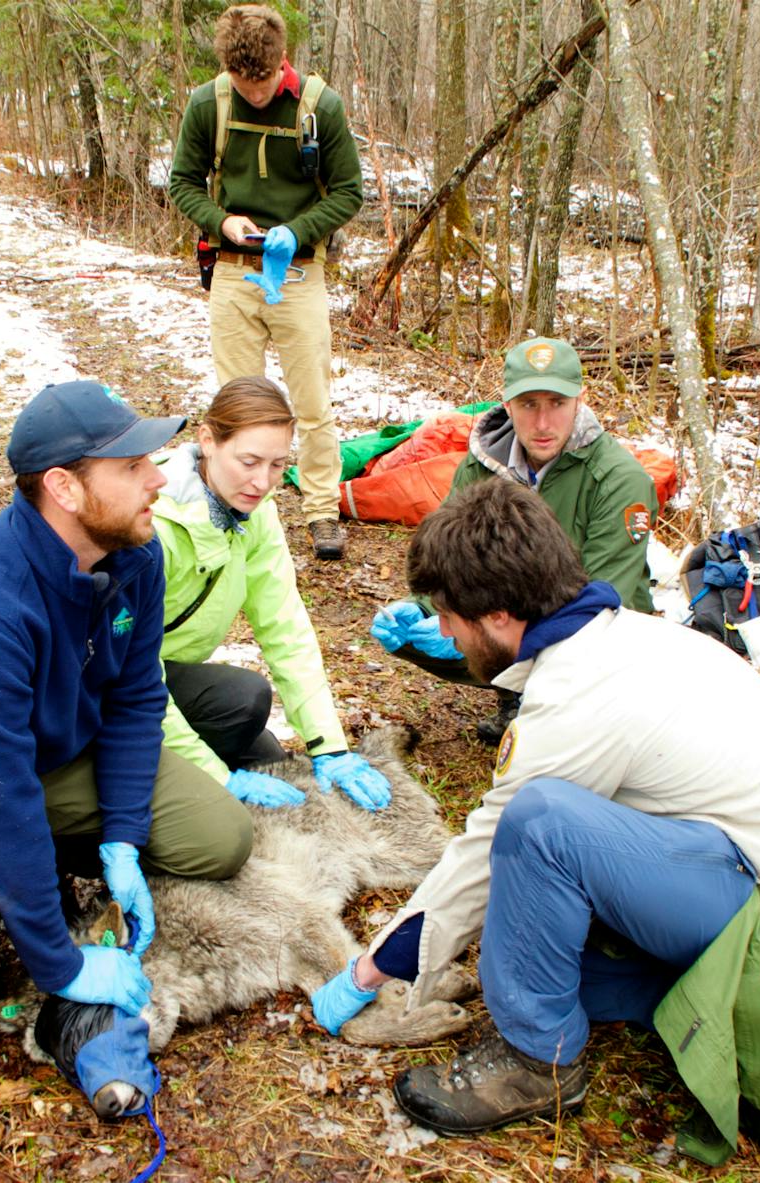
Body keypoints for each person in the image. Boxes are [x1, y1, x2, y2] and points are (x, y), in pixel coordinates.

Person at [312, 480, 760, 1158]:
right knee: (512, 954)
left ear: (496, 615)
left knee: (539, 822)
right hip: (742, 872)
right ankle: (658, 995)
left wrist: (369, 971)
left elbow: (485, 852)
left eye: (447, 615)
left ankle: (538, 1062)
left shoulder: (577, 698)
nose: (443, 631)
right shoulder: (615, 636)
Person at [0, 381, 254, 1016]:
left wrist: (122, 839)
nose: (158, 477)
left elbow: (133, 700)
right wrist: (59, 962)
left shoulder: (134, 556)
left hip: (59, 752)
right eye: (131, 467)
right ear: (64, 489)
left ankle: (47, 855)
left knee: (221, 838)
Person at [369, 336, 659, 743]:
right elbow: (449, 556)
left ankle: (560, 703)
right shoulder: (484, 461)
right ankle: (516, 690)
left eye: (557, 403)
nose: (542, 423)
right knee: (420, 633)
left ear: (581, 400)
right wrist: (421, 609)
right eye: (528, 405)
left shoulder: (617, 479)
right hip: (514, 620)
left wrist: (497, 629)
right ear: (507, 405)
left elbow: (611, 598)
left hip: (595, 635)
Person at [168, 4, 363, 561]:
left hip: (299, 273)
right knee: (237, 402)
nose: (254, 93)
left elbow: (349, 191)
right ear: (228, 70)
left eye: (264, 82)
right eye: (242, 82)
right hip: (232, 272)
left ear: (283, 64)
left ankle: (322, 510)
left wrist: (299, 229)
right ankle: (235, 505)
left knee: (312, 399)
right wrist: (221, 221)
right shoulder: (210, 103)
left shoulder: (319, 106)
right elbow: (183, 181)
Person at [153, 376, 390, 811]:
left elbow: (285, 626)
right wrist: (216, 777)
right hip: (108, 687)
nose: (263, 482)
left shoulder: (253, 512)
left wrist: (328, 744)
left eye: (278, 465)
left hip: (165, 675)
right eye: (249, 461)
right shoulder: (153, 521)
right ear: (208, 441)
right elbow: (129, 675)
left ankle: (177, 764)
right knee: (223, 796)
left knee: (249, 709)